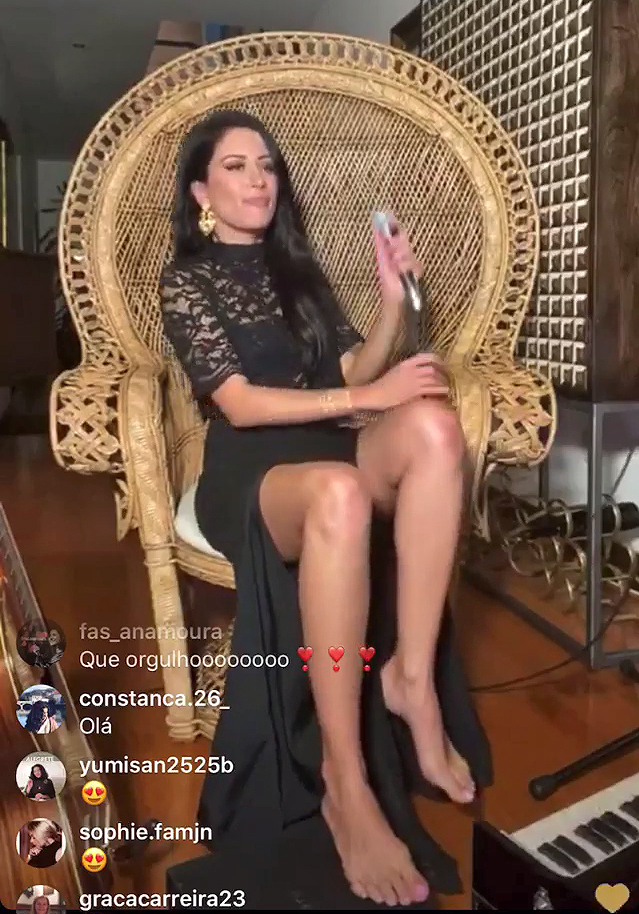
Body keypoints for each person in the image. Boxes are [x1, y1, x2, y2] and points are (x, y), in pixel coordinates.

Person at [161, 110, 492, 907]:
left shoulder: (298, 273)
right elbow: (239, 404)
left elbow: (350, 370)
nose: (258, 179)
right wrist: (369, 398)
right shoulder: (187, 281)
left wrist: (390, 306)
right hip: (252, 476)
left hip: (330, 447)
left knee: (437, 429)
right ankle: (346, 779)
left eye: (267, 165)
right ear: (201, 191)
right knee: (340, 490)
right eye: (236, 166)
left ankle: (411, 679)